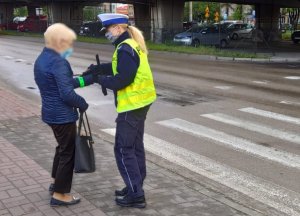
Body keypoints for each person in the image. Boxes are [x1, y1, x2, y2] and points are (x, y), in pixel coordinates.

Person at [94, 13, 157, 208]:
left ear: (118, 28)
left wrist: (99, 79)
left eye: (108, 29)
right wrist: (99, 69)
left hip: (132, 105)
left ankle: (136, 194)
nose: (107, 33)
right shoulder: (129, 44)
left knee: (123, 148)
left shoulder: (125, 48)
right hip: (140, 103)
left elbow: (122, 80)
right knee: (135, 147)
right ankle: (134, 185)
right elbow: (120, 68)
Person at [34, 23, 94, 207]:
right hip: (62, 116)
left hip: (51, 113)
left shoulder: (43, 58)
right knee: (68, 152)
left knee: (62, 148)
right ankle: (60, 194)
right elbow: (67, 94)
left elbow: (63, 84)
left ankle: (55, 184)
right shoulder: (59, 61)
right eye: (67, 42)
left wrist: (88, 79)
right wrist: (83, 104)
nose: (69, 46)